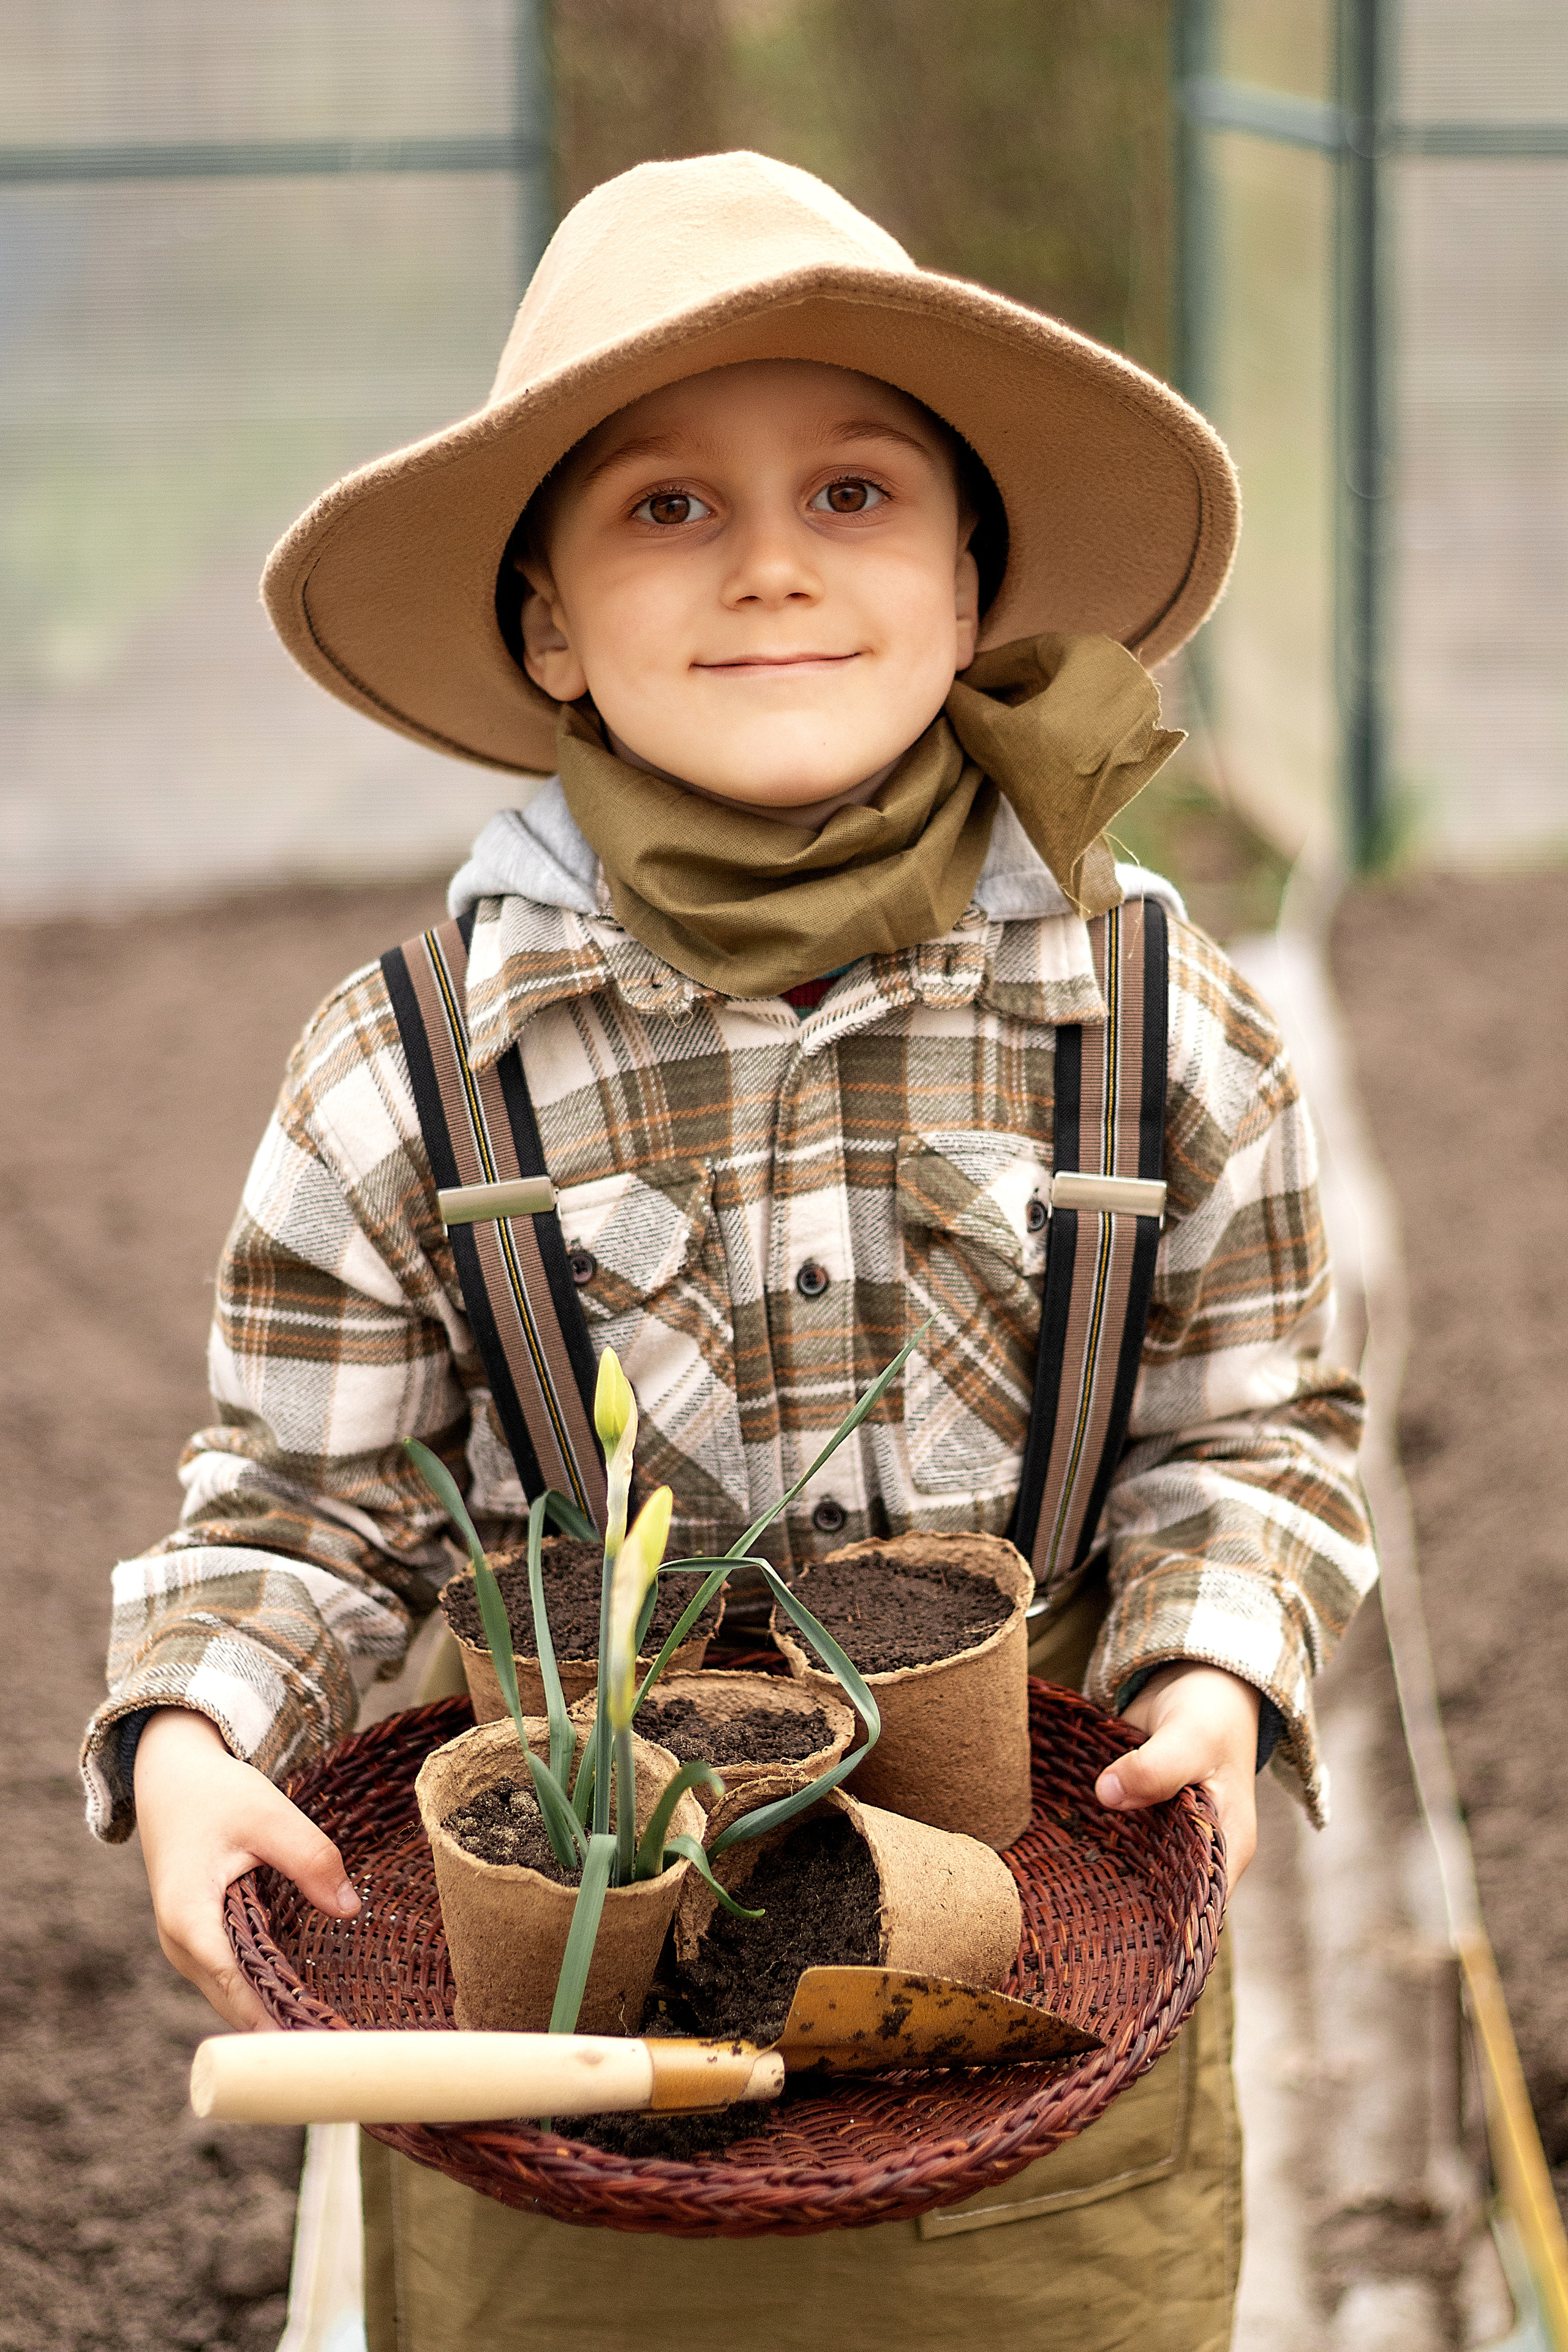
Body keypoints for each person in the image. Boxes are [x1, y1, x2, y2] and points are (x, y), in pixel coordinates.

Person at [81, 153, 1376, 2351]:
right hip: (563, 2036)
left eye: (855, 494)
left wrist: (1214, 1670)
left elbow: (1252, 1429)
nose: (772, 564)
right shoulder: (410, 1075)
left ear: (973, 586)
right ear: (547, 625)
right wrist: (198, 1735)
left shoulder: (1159, 1027)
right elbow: (306, 1505)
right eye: (668, 507)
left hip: (1032, 2011)